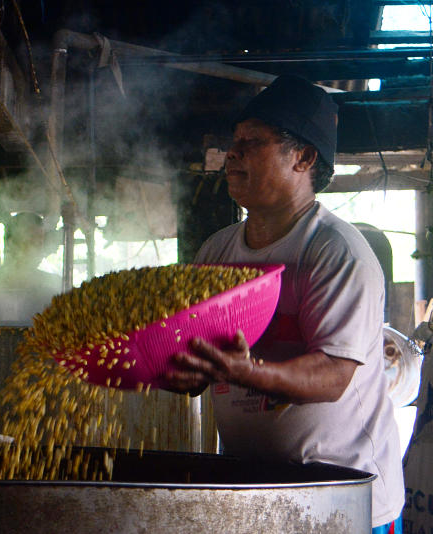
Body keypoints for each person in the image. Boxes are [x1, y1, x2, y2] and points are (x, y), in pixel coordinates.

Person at [165, 75, 404, 532]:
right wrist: (164, 368)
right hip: (255, 495)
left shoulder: (336, 251)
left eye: (251, 142)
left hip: (344, 501)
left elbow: (334, 374)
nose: (232, 154)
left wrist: (247, 372)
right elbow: (199, 363)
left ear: (304, 157)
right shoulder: (216, 251)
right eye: (233, 142)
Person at [0, 212, 61, 325]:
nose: (39, 249)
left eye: (41, 242)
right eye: (31, 241)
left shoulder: (54, 288)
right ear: (10, 243)